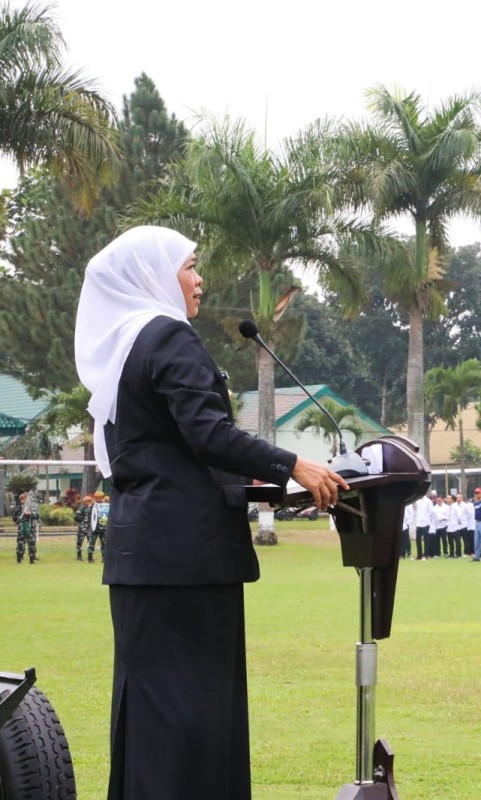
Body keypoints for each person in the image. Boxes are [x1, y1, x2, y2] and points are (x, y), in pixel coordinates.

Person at [74, 226, 347, 800]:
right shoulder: (168, 336)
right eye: (190, 267)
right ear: (154, 274)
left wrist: (257, 484)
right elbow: (208, 434)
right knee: (192, 721)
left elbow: (168, 451)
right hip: (185, 564)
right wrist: (292, 465)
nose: (200, 280)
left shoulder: (126, 350)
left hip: (140, 556)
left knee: (151, 717)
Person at [75, 494, 95, 561]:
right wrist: (81, 521)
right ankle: (79, 556)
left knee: (90, 542)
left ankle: (90, 556)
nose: (89, 502)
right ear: (85, 502)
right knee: (79, 542)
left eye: (90, 501)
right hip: (82, 528)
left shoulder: (93, 508)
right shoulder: (82, 508)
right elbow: (76, 517)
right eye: (88, 501)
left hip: (89, 528)